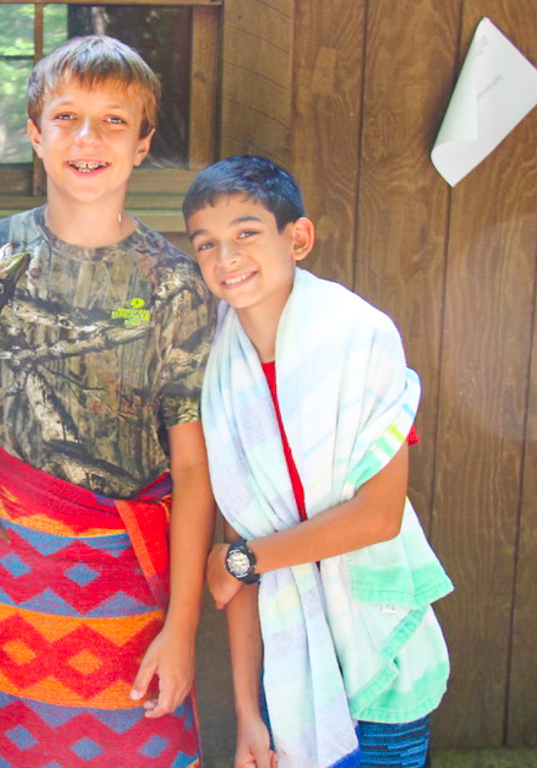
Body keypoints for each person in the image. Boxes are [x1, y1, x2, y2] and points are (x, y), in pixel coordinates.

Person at [0, 36, 216, 768]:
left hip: (133, 592)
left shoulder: (174, 285)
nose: (87, 139)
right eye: (67, 117)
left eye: (113, 121)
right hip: (8, 580)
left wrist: (183, 629)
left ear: (142, 144)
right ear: (36, 135)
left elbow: (193, 471)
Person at [184, 155, 452, 768]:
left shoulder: (360, 337)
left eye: (247, 233)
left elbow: (377, 517)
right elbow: (237, 551)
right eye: (207, 245)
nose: (227, 259)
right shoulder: (218, 366)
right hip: (287, 674)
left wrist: (248, 559)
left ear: (297, 238)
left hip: (382, 666)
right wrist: (250, 716)